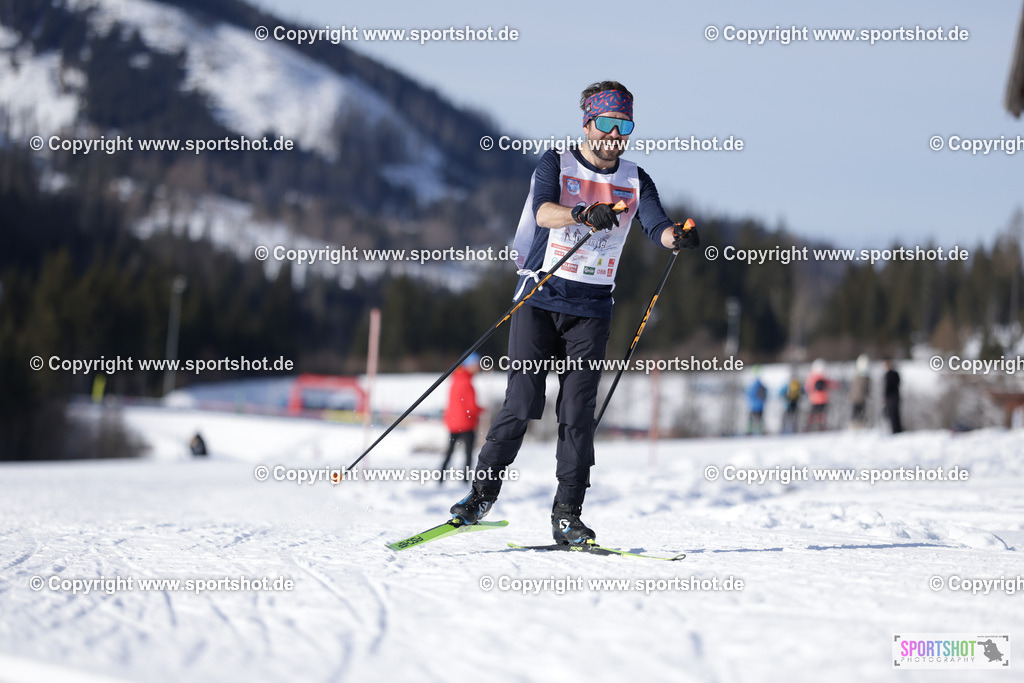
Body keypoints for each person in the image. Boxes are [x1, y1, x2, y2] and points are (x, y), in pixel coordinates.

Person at [450, 81, 699, 545]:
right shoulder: (556, 163)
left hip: (592, 307)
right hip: (539, 297)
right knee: (522, 402)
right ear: (587, 123)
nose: (614, 135)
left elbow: (656, 224)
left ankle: (567, 515)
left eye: (624, 126)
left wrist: (675, 239)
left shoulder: (635, 178)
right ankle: (481, 494)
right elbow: (543, 212)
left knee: (578, 412)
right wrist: (583, 213)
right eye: (606, 124)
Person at [439, 353, 483, 481]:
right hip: (466, 423)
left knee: (449, 452)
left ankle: (441, 477)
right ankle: (465, 480)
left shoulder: (455, 379)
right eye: (477, 364)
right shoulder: (467, 382)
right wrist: (482, 409)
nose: (479, 367)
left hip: (453, 422)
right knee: (468, 455)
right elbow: (472, 407)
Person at [804, 359, 833, 431]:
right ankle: (820, 427)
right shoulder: (824, 378)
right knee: (821, 414)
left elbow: (807, 388)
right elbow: (831, 385)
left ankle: (809, 427)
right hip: (822, 399)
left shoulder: (812, 377)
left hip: (814, 399)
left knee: (814, 414)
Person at [850, 354, 871, 428]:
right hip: (858, 397)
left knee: (860, 411)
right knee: (857, 412)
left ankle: (860, 424)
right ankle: (856, 424)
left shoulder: (864, 377)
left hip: (860, 397)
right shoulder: (859, 377)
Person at [746, 368, 768, 435]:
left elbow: (748, 394)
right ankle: (761, 431)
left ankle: (749, 432)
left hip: (752, 405)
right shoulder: (762, 386)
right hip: (760, 405)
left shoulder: (751, 385)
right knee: (760, 419)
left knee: (751, 420)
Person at [883, 359, 903, 434]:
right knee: (895, 414)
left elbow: (887, 387)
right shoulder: (896, 374)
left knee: (893, 414)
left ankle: (895, 431)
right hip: (896, 396)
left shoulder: (889, 374)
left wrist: (885, 397)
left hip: (891, 397)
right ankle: (897, 430)